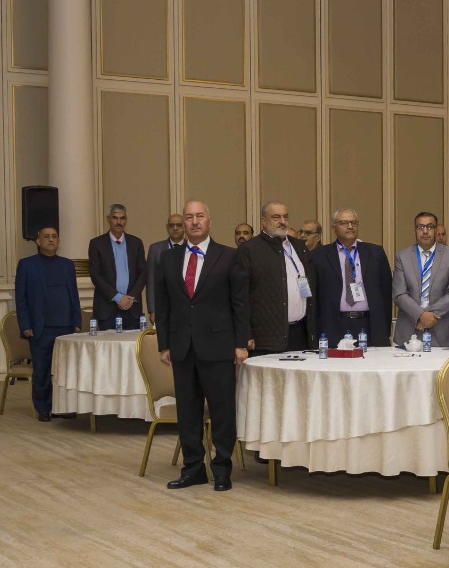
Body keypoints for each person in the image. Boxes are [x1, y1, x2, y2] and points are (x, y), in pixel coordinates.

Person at [151, 200, 249, 491]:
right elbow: (164, 305)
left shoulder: (228, 256)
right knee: (188, 413)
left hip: (219, 346)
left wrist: (241, 343)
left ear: (209, 221)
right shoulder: (169, 258)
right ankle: (193, 468)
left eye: (200, 216)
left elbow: (240, 303)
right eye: (189, 217)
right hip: (182, 347)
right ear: (183, 223)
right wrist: (164, 344)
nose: (194, 222)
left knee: (221, 411)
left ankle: (222, 469)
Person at [14, 226, 81, 422]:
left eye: (54, 236)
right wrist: (25, 324)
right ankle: (43, 408)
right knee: (42, 370)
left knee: (65, 371)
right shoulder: (27, 265)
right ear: (38, 241)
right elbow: (21, 298)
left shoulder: (67, 265)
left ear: (58, 241)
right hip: (40, 328)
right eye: (46, 237)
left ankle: (62, 407)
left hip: (66, 327)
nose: (51, 240)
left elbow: (74, 295)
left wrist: (77, 321)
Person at [236, 201, 317, 356]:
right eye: (276, 217)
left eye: (285, 217)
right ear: (263, 221)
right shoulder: (249, 250)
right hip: (267, 339)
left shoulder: (299, 247)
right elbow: (240, 297)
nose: (282, 221)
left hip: (301, 334)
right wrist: (245, 335)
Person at [309, 208, 390, 344]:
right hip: (334, 325)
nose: (350, 226)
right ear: (334, 227)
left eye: (354, 222)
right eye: (344, 223)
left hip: (369, 324)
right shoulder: (319, 256)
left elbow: (386, 292)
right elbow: (314, 296)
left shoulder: (375, 253)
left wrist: (385, 329)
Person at [392, 211, 449, 347]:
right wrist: (421, 315)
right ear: (415, 231)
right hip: (411, 328)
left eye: (430, 227)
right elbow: (399, 294)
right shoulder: (402, 256)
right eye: (420, 227)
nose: (425, 231)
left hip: (444, 329)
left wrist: (430, 315)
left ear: (436, 230)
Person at [87, 203, 145, 331]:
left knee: (133, 343)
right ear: (108, 219)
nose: (119, 222)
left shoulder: (136, 243)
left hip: (132, 307)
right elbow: (95, 275)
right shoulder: (96, 244)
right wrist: (118, 297)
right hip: (107, 308)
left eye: (122, 218)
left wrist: (130, 298)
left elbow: (143, 273)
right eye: (115, 218)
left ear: (126, 220)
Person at [146, 213, 186, 320]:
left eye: (179, 225)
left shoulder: (192, 248)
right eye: (172, 225)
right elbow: (151, 280)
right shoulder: (155, 249)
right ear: (167, 227)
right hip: (163, 306)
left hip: (186, 306)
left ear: (185, 227)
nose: (175, 228)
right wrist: (152, 309)